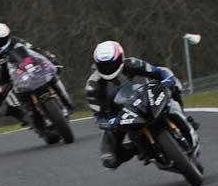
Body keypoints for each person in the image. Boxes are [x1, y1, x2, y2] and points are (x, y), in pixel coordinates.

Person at [85, 40, 201, 169]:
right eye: (104, 66)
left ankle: (184, 117)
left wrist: (167, 80)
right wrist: (107, 122)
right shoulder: (92, 86)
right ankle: (138, 149)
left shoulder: (132, 63)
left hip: (145, 98)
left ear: (121, 58)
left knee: (174, 87)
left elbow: (158, 72)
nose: (108, 69)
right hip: (119, 114)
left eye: (112, 64)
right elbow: (98, 116)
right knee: (109, 159)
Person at [0, 22, 73, 121]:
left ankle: (66, 101)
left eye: (2, 39)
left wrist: (50, 59)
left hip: (27, 69)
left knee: (52, 75)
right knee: (2, 104)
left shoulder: (15, 41)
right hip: (8, 82)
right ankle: (32, 118)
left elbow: (35, 50)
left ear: (7, 36)